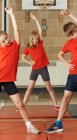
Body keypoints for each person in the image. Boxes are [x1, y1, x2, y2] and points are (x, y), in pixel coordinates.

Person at [0, 6, 40, 134]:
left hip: (8, 81)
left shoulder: (15, 46)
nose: (7, 41)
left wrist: (11, 14)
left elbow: (16, 29)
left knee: (20, 105)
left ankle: (29, 126)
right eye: (3, 40)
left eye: (6, 38)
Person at [21, 13, 59, 111]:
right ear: (31, 39)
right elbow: (22, 57)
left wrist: (36, 20)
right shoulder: (28, 47)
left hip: (43, 68)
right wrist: (30, 63)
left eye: (36, 38)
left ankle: (55, 104)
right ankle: (23, 105)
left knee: (49, 88)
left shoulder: (40, 43)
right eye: (33, 39)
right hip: (34, 69)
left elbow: (40, 31)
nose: (35, 40)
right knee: (29, 88)